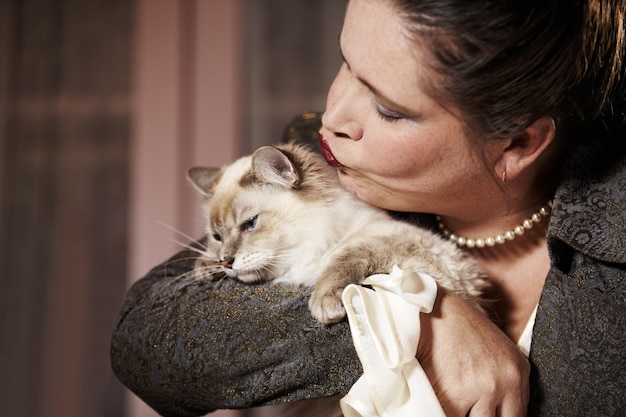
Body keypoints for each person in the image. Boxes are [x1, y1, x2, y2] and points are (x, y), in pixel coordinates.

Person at [111, 0, 626, 416]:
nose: (332, 115)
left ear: (516, 143)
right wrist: (414, 322)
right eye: (346, 62)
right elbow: (144, 339)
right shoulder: (321, 172)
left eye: (387, 110)